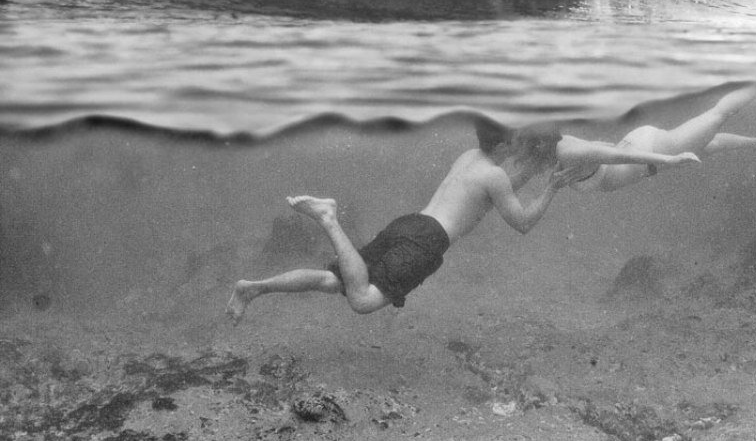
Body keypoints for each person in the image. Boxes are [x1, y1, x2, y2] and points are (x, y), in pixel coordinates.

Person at [226, 123, 697, 321]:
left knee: (335, 281)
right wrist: (550, 189)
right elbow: (524, 225)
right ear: (508, 146)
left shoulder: (470, 155)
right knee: (364, 300)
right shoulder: (494, 175)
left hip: (409, 221)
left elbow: (611, 151)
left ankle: (254, 287)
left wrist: (661, 159)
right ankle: (329, 218)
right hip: (429, 240)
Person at [566, 84, 756, 193]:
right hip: (646, 151)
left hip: (654, 152)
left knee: (718, 115)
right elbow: (603, 148)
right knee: (712, 144)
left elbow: (604, 152)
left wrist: (667, 159)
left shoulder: (577, 173)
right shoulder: (572, 172)